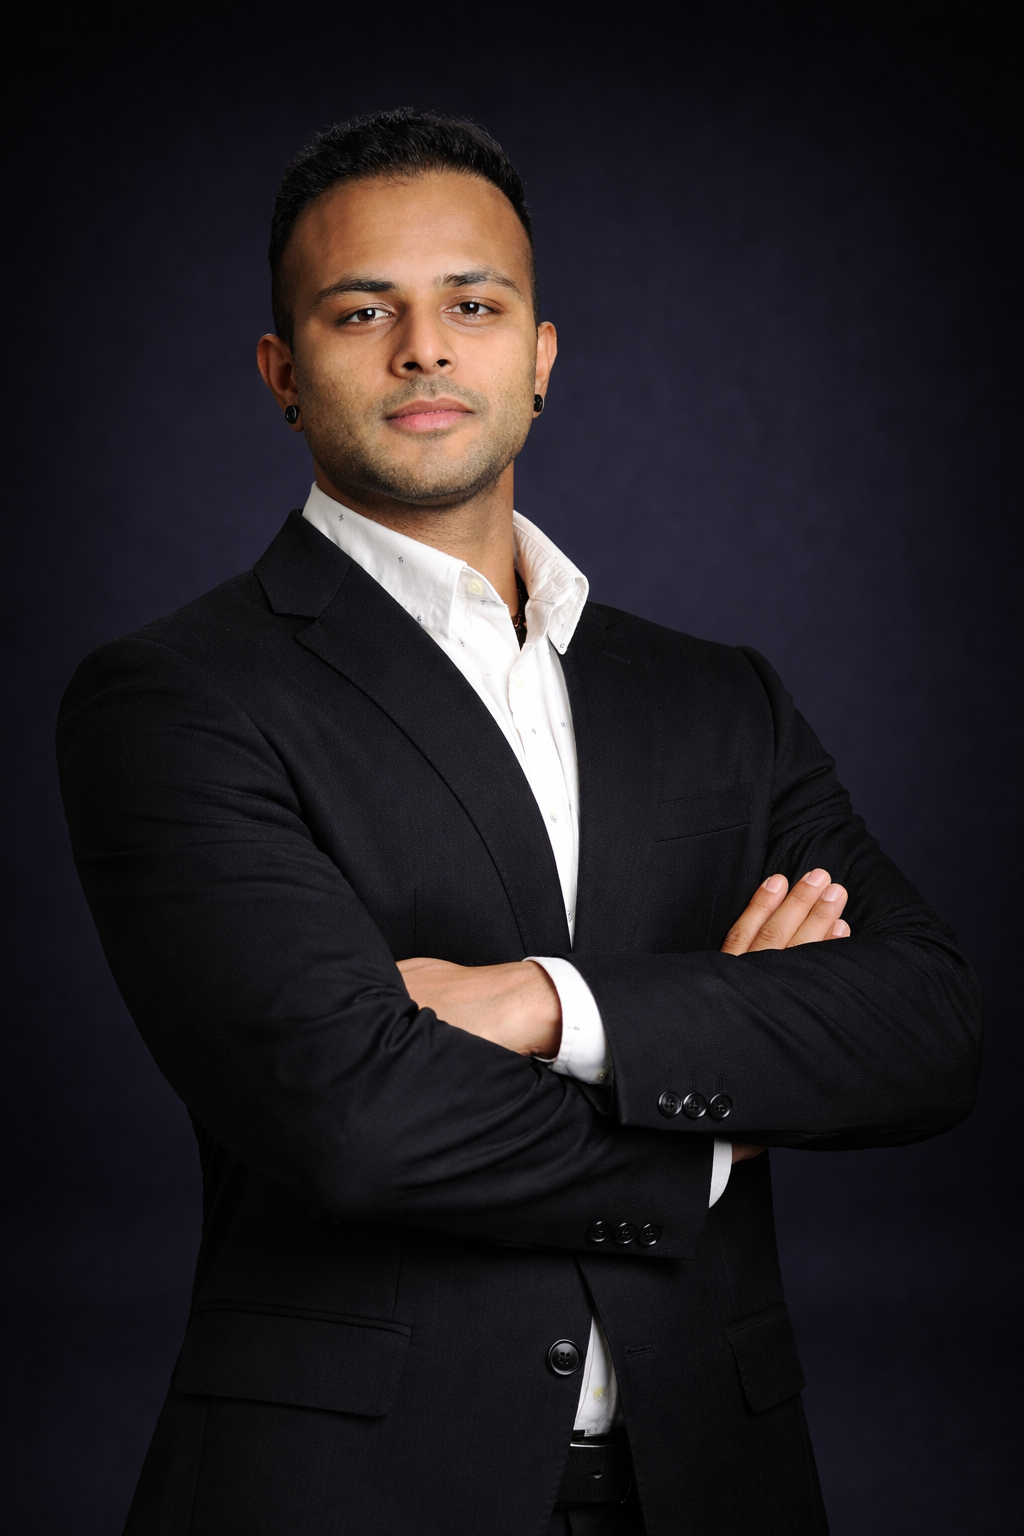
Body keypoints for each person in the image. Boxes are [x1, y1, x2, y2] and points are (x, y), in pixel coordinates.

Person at [56, 110, 982, 1536]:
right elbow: (355, 1117)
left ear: (541, 357)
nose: (424, 348)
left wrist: (542, 1004)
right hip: (345, 1498)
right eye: (363, 310)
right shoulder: (175, 697)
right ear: (283, 372)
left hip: (721, 1486)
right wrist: (725, 1110)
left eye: (473, 306)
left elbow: (928, 1028)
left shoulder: (717, 697)